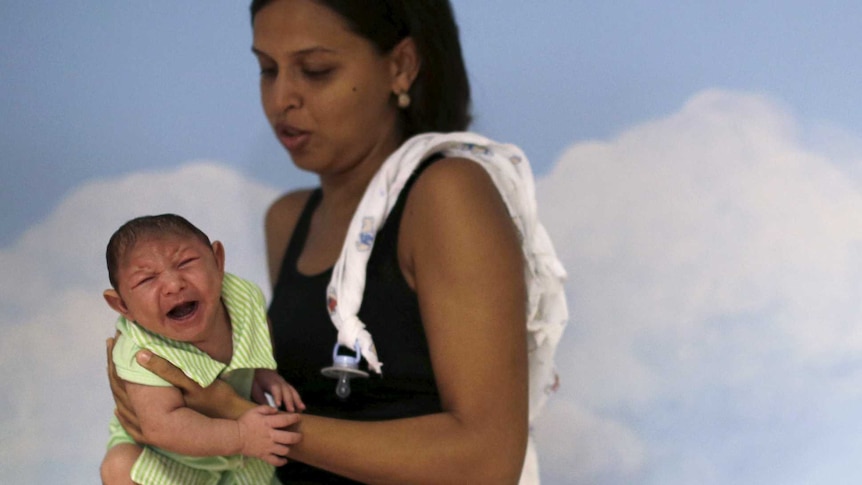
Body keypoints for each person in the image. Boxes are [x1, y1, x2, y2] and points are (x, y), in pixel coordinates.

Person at [107, 1, 568, 483]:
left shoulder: (446, 194)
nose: (281, 98)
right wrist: (161, 385)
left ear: (400, 67)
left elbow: (488, 459)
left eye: (316, 70)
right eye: (267, 69)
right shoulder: (287, 221)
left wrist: (242, 420)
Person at [100, 214, 305, 485]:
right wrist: (241, 436)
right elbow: (163, 428)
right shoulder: (141, 353)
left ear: (217, 261)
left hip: (242, 454)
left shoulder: (240, 296)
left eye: (186, 263)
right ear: (123, 306)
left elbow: (256, 324)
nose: (174, 285)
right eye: (147, 279)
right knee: (119, 466)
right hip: (168, 457)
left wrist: (263, 369)